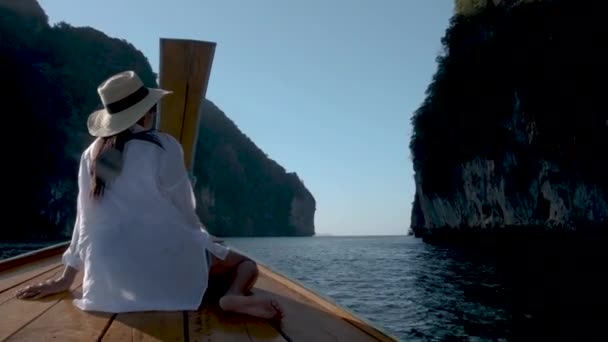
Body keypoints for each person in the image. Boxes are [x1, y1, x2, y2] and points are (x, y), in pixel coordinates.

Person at [15, 71, 283, 319]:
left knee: (191, 259)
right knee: (245, 264)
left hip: (109, 282)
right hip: (164, 261)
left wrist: (65, 279)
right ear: (147, 112)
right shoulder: (163, 146)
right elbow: (184, 210)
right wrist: (205, 239)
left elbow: (84, 221)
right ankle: (232, 296)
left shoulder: (91, 155)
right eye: (152, 108)